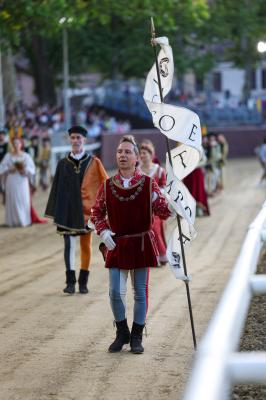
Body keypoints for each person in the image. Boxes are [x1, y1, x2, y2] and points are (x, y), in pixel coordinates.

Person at [91, 135, 172, 354]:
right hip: (116, 244)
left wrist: (170, 198)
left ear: (137, 157)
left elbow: (164, 212)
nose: (123, 155)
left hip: (141, 243)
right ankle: (122, 332)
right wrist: (103, 230)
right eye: (119, 152)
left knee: (139, 292)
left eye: (128, 152)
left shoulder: (148, 183)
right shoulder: (107, 185)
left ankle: (136, 336)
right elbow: (96, 212)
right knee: (115, 292)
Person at [45, 125, 108, 294]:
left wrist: (103, 207)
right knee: (69, 246)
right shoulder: (62, 163)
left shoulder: (95, 163)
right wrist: (56, 210)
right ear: (69, 140)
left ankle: (83, 282)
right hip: (67, 212)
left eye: (78, 138)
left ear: (84, 140)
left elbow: (106, 184)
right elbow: (57, 189)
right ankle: (70, 282)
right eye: (72, 138)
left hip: (87, 212)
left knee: (85, 246)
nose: (75, 141)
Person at [139, 141, 168, 265]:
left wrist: (155, 194)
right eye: (141, 153)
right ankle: (150, 257)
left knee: (154, 230)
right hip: (140, 207)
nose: (142, 155)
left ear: (151, 155)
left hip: (155, 207)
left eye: (145, 153)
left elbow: (164, 186)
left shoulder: (159, 170)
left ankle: (161, 255)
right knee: (143, 232)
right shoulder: (137, 170)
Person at [0, 137, 35, 227]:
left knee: (22, 200)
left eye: (17, 143)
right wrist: (8, 169)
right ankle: (11, 222)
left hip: (22, 180)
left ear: (21, 144)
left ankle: (24, 221)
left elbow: (32, 169)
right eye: (14, 143)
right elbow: (1, 167)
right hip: (11, 180)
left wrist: (24, 170)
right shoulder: (8, 156)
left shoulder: (26, 156)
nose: (16, 145)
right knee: (13, 200)